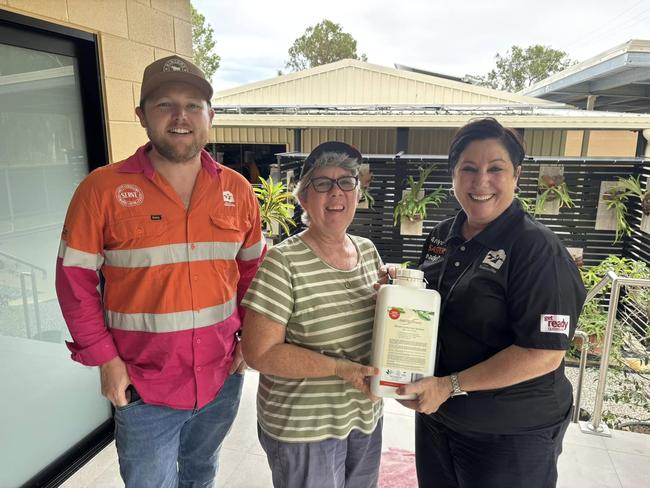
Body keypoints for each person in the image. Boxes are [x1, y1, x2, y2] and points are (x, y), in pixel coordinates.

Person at [55, 55, 265, 487]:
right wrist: (106, 361)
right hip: (143, 384)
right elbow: (73, 282)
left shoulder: (237, 190)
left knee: (201, 472)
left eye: (193, 105)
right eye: (165, 104)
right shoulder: (101, 190)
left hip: (220, 378)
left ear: (211, 115)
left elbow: (253, 275)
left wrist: (250, 338)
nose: (180, 116)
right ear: (142, 116)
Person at [392, 118, 586, 488]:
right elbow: (428, 308)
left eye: (495, 169)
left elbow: (544, 353)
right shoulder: (441, 235)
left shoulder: (538, 251)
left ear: (516, 175)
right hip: (439, 420)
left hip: (511, 434)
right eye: (468, 168)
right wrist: (395, 296)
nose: (481, 181)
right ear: (453, 175)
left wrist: (448, 385)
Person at [240, 141, 383, 488]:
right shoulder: (282, 262)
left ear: (358, 193)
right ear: (303, 198)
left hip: (364, 416)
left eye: (347, 182)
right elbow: (258, 352)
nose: (336, 192)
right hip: (305, 428)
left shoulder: (367, 251)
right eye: (322, 183)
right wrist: (338, 369)